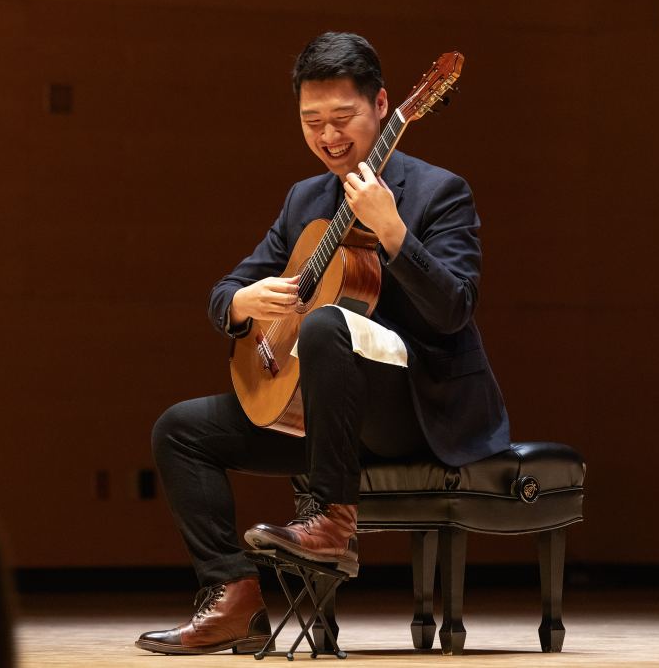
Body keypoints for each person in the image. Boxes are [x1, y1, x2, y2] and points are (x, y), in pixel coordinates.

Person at [135, 32, 509, 655]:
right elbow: (229, 285)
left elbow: (453, 312)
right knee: (179, 430)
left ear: (384, 105)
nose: (330, 136)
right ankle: (234, 596)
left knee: (325, 324)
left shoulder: (441, 193)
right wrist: (239, 304)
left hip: (412, 410)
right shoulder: (306, 199)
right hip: (320, 415)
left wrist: (394, 236)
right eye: (313, 122)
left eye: (343, 118)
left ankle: (333, 523)